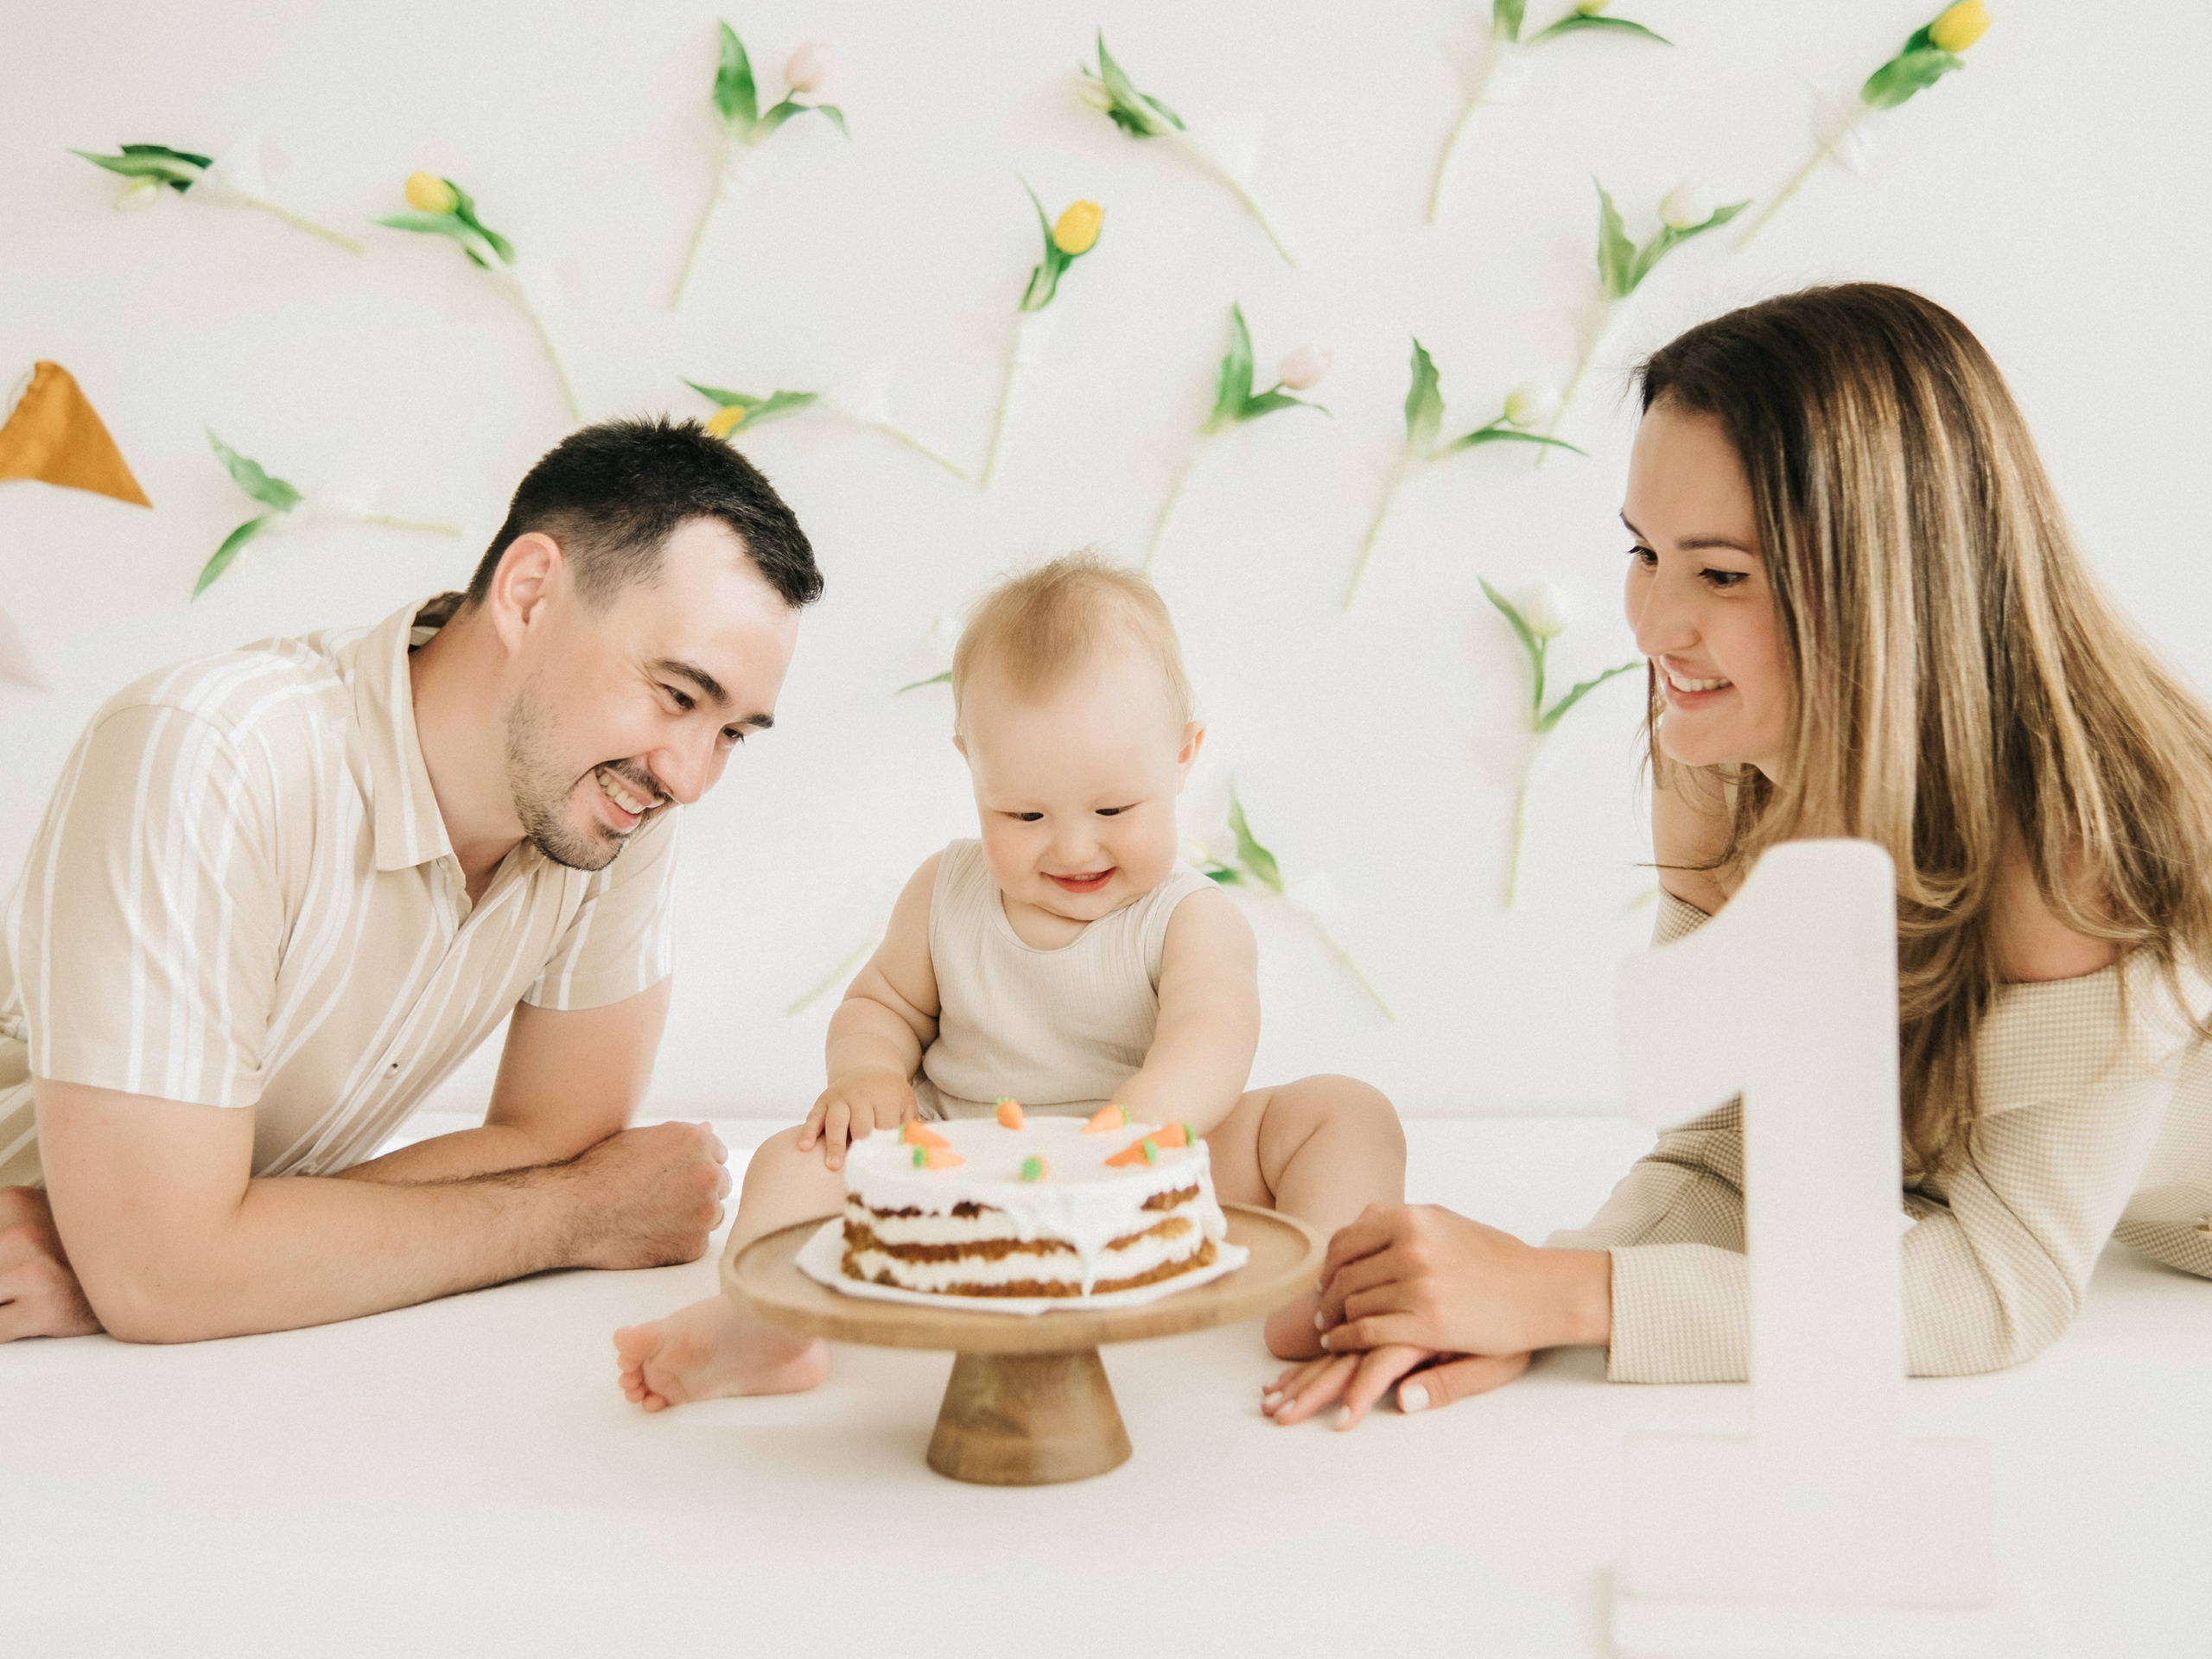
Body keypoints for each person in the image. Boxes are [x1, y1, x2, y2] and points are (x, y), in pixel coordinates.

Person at [1268, 283, 2212, 1428]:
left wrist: (1565, 1296)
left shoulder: (2073, 839)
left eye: (1720, 573)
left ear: (1890, 580)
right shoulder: (1720, 760)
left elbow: (1996, 1287)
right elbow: (1726, 1153)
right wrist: (1516, 1299)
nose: (1653, 626)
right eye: (1643, 551)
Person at [0, 417, 820, 1344]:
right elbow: (162, 1279)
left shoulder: (610, 807)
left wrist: (201, 1255)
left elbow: (558, 1142)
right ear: (529, 593)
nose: (691, 778)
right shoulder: (213, 753)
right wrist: (582, 1214)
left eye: (731, 733)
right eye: (676, 695)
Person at [614, 552, 1407, 1408]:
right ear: (972, 766)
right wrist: (869, 1077)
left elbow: (1212, 1032)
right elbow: (881, 1005)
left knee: (1345, 1112)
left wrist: (1147, 1120)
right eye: (1024, 814)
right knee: (795, 1160)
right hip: (953, 1164)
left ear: (1183, 757)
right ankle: (765, 1324)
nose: (1073, 847)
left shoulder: (1187, 918)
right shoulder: (944, 891)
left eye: (1114, 809)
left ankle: (1330, 1288)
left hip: (1145, 1166)